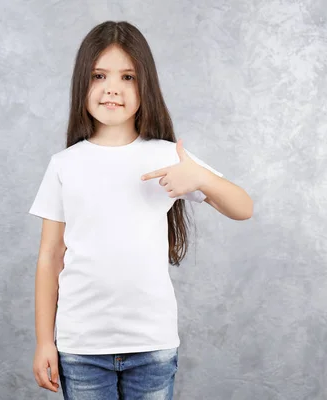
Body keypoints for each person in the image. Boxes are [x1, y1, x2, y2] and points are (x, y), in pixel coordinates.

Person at [28, 20, 253, 400]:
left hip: (152, 344)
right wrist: (43, 342)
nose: (112, 88)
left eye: (127, 77)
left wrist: (200, 178)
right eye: (99, 75)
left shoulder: (168, 155)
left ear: (144, 85)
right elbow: (49, 257)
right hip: (81, 347)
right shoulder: (64, 164)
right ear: (82, 82)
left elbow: (243, 208)